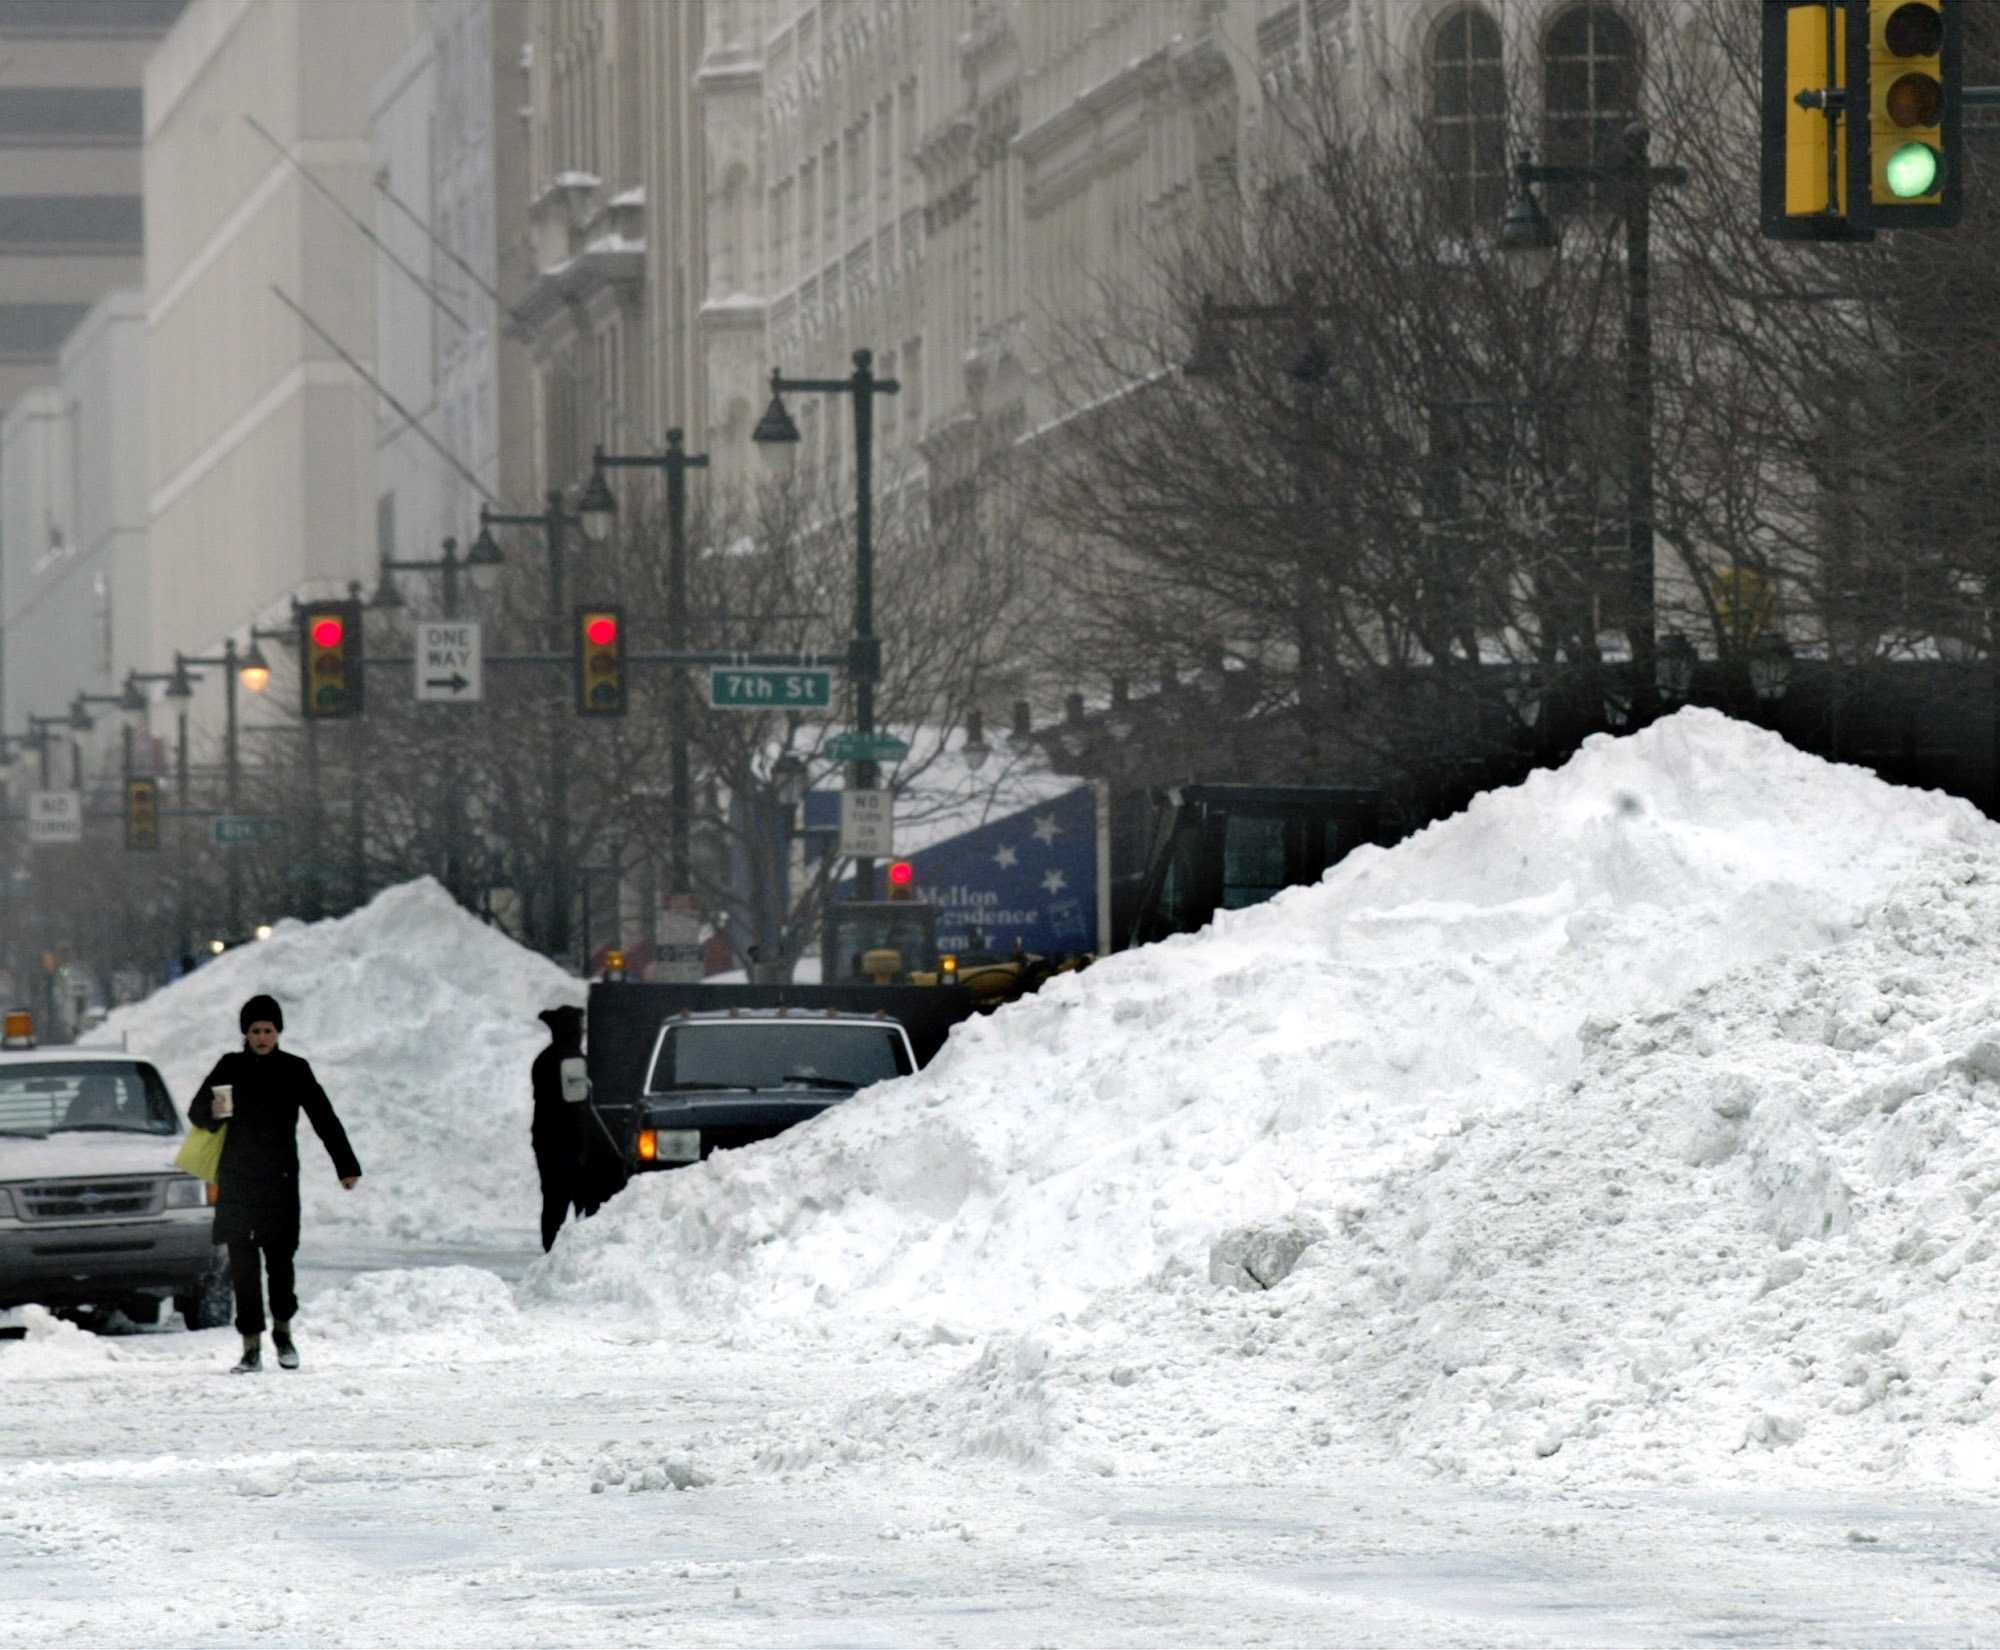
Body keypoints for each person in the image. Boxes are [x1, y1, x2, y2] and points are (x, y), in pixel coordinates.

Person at [188, 993, 361, 1374]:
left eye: (268, 1030)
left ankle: (283, 1333)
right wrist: (215, 1112)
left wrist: (345, 1165)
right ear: (245, 1034)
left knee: (281, 1264)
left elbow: (324, 1117)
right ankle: (250, 1347)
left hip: (280, 1182)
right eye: (255, 1031)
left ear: (278, 1032)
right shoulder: (229, 1067)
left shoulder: (294, 1069)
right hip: (237, 1182)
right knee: (243, 1269)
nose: (262, 1037)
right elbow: (197, 1112)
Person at [530, 1005, 587, 1251]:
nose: (582, 1032)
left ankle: (551, 1249)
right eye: (579, 1027)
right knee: (573, 1199)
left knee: (553, 1199)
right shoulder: (570, 1061)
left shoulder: (545, 1059)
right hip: (567, 1142)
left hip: (547, 1140)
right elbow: (577, 1105)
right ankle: (565, 1251)